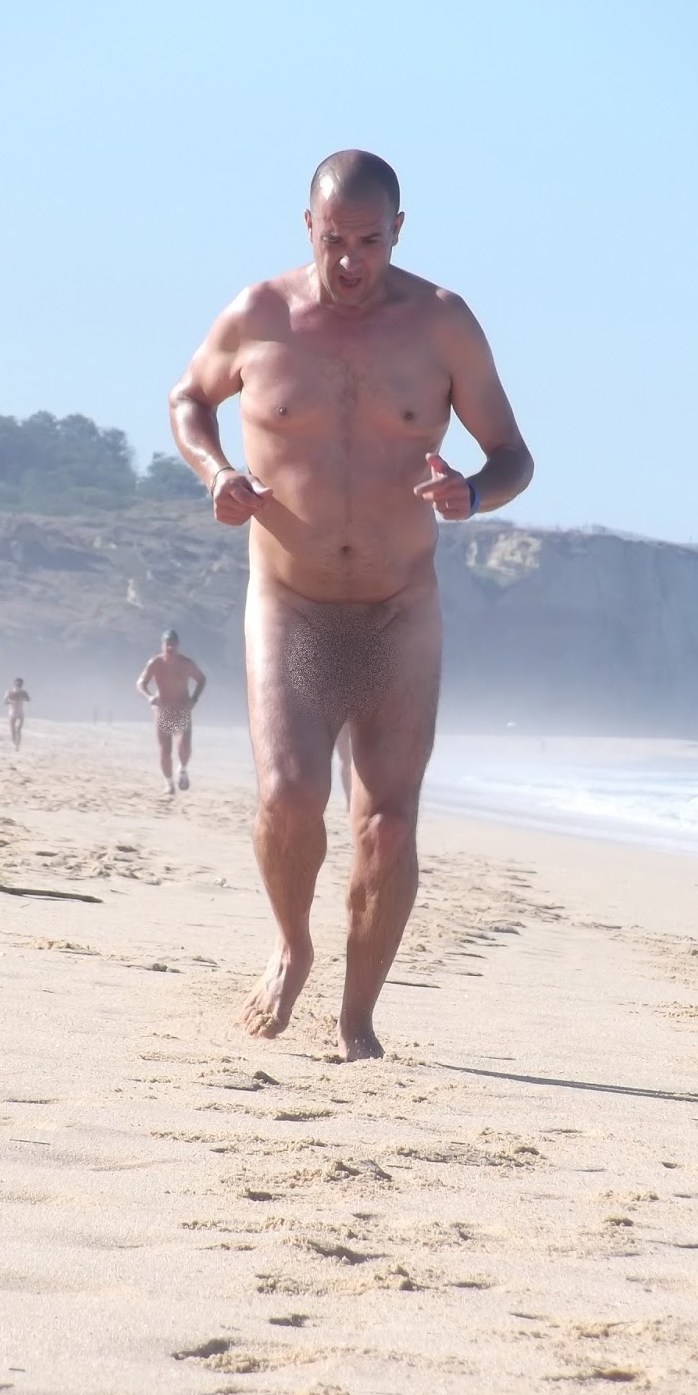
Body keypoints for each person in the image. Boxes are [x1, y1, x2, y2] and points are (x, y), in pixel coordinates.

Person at [169, 149, 533, 1059]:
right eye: (334, 239)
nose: (350, 260)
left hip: (399, 609)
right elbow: (188, 400)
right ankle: (292, 946)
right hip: (289, 602)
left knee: (389, 824)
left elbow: (514, 455)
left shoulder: (442, 324)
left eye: (369, 241)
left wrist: (474, 493)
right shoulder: (258, 315)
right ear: (309, 227)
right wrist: (216, 473)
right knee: (290, 798)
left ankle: (357, 1017)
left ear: (398, 232)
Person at [136, 630, 206, 794]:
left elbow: (202, 679)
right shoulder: (155, 663)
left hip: (181, 709)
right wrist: (149, 697)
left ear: (178, 646)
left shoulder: (186, 664)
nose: (170, 648)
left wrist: (194, 699)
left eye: (173, 645)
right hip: (163, 710)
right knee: (165, 751)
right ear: (162, 646)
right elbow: (140, 683)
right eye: (167, 645)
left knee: (184, 745)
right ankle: (169, 784)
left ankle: (182, 769)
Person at [3, 677, 30, 749]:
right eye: (17, 683)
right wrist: (11, 701)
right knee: (13, 730)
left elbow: (28, 699)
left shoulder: (23, 692)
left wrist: (24, 696)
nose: (18, 684)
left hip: (20, 713)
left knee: (18, 729)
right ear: (14, 683)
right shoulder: (9, 692)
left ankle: (18, 745)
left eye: (20, 683)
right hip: (12, 713)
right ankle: (15, 744)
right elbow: (5, 702)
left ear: (22, 684)